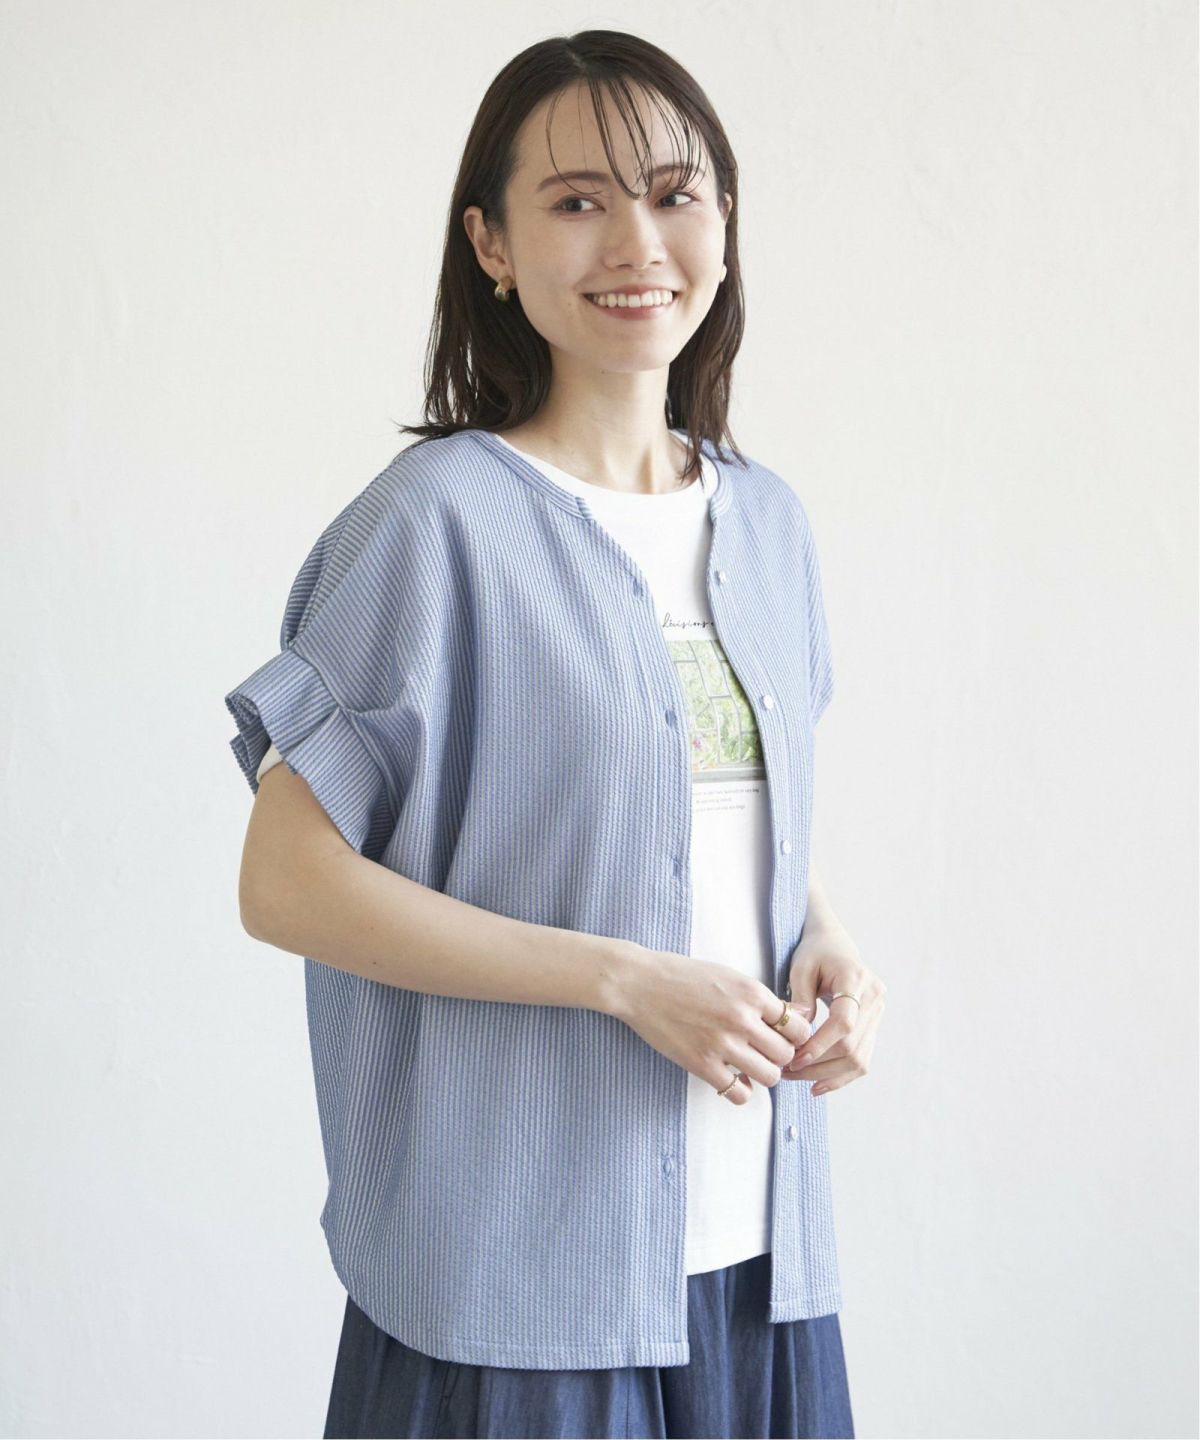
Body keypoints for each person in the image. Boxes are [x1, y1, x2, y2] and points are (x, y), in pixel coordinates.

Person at [225, 28, 885, 1440]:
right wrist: (623, 982)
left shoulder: (768, 524)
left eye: (675, 194)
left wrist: (826, 937)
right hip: (520, 1275)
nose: (637, 242)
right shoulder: (435, 525)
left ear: (724, 222)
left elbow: (719, 800)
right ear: (493, 244)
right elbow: (284, 883)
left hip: (759, 1261)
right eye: (577, 201)